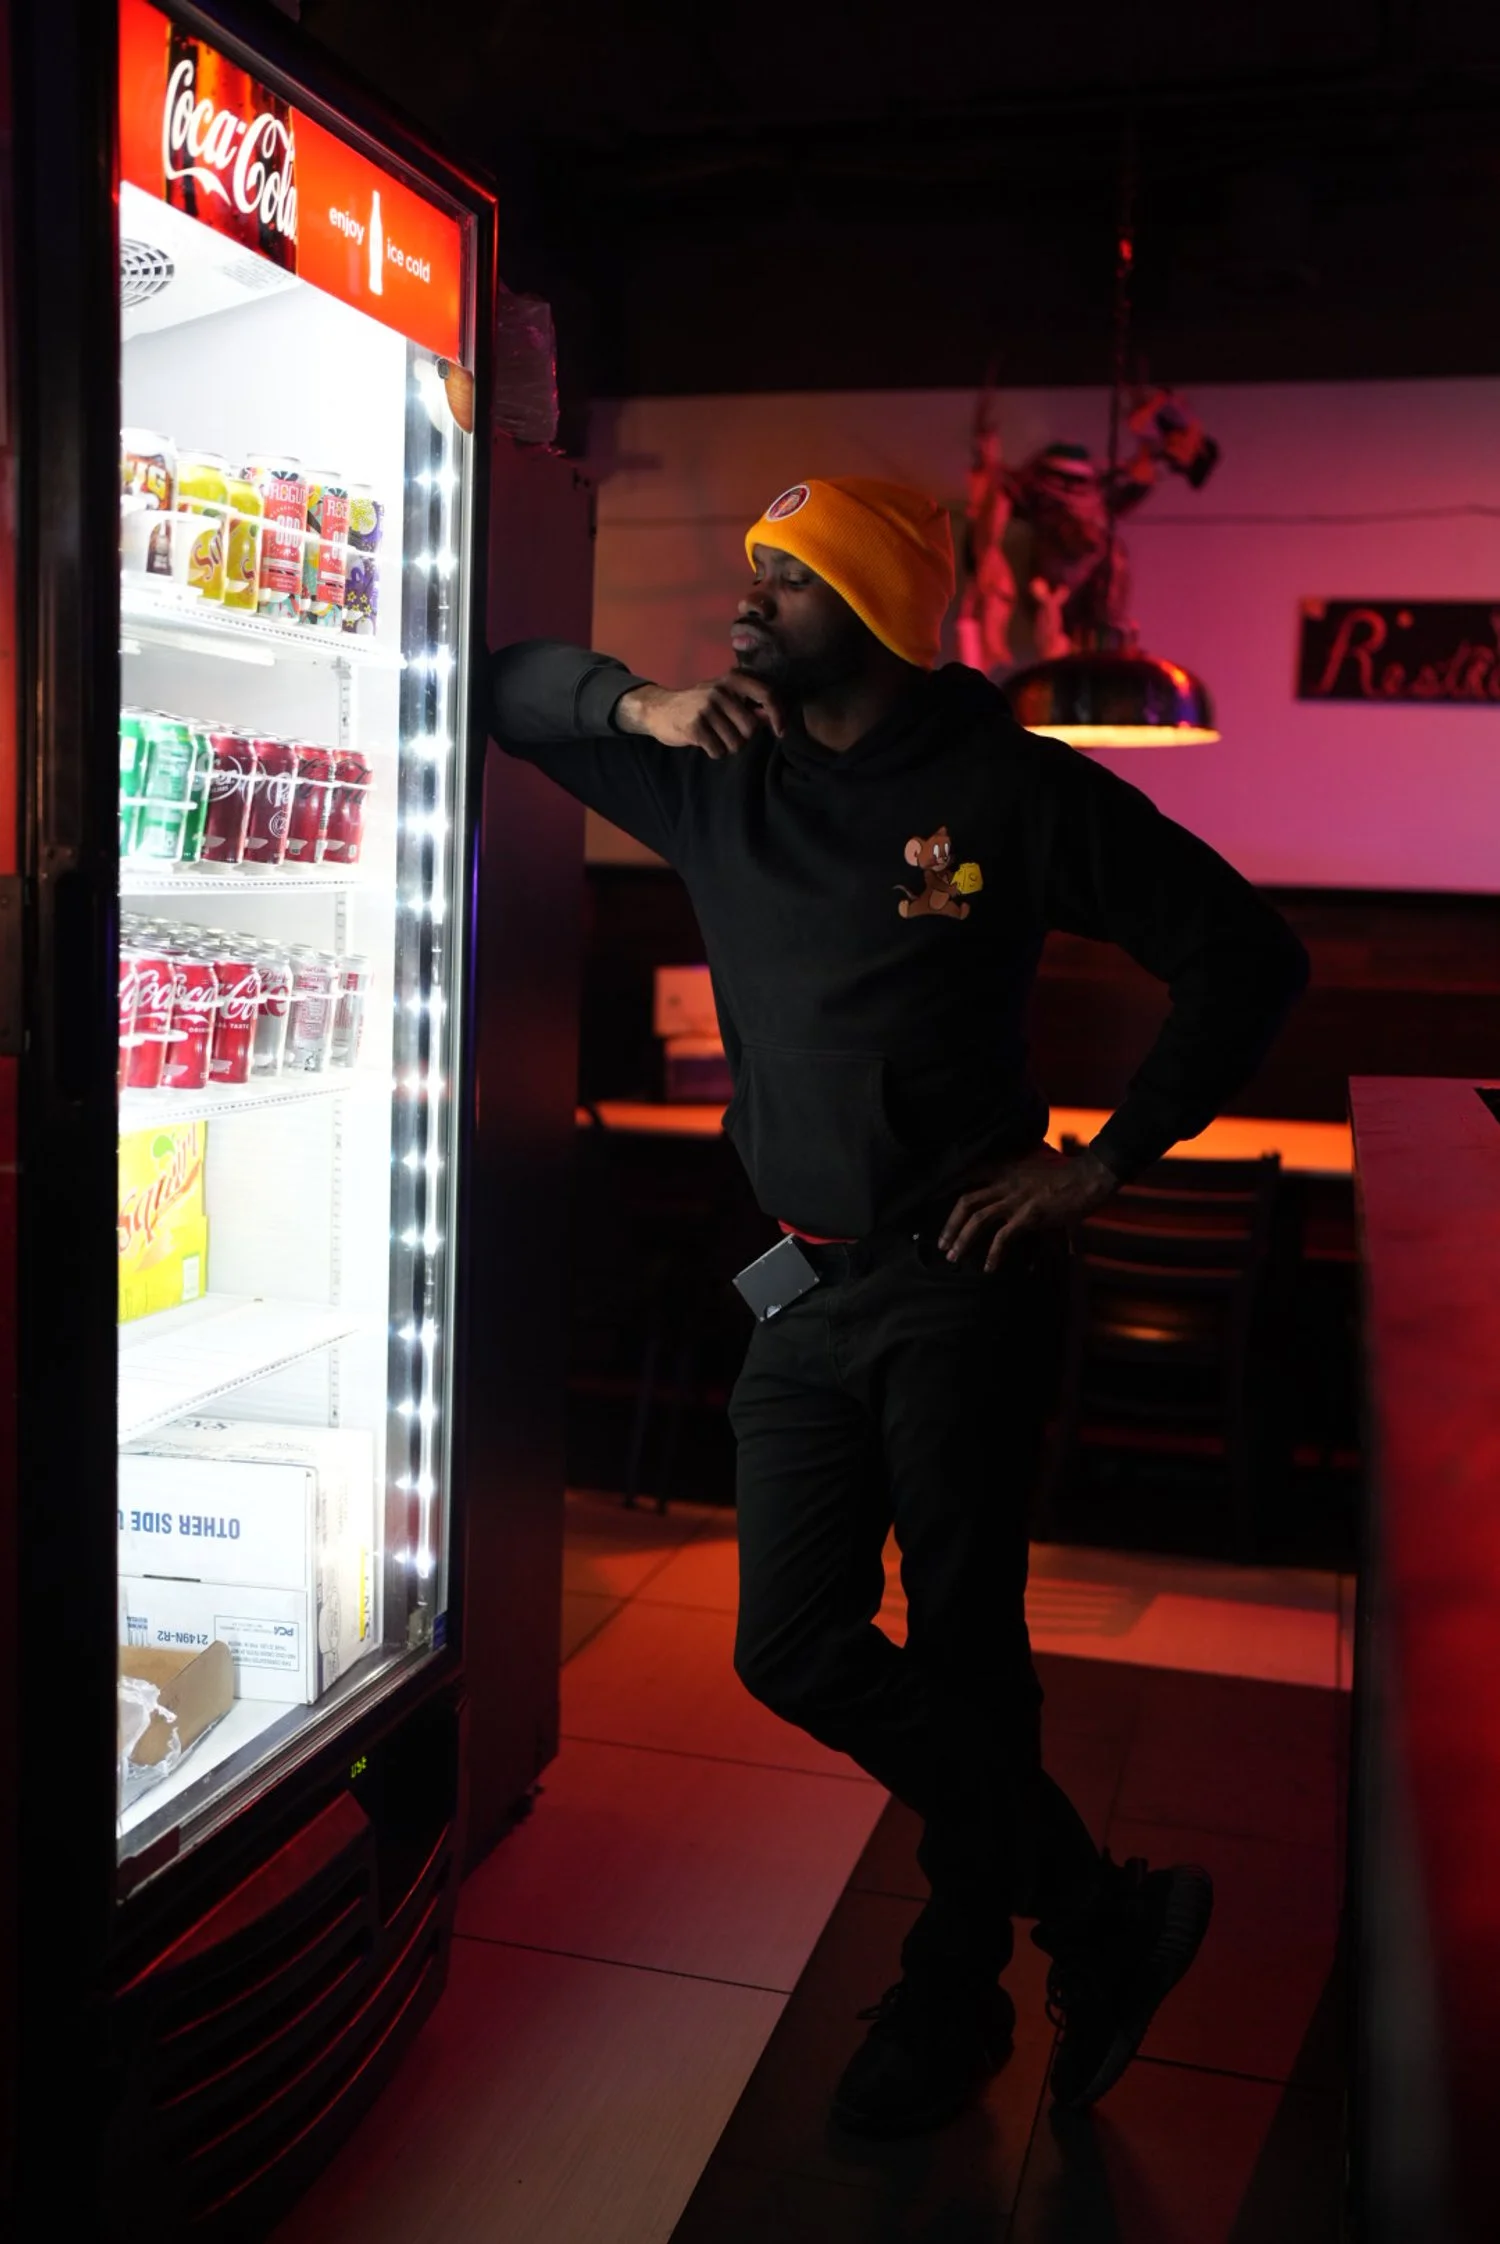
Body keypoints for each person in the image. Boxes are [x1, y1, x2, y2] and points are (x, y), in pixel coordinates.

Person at [488, 475, 1310, 2140]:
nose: (743, 605)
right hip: (796, 1287)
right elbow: (501, 680)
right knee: (791, 1645)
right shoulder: (715, 768)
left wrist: (1102, 1166)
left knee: (966, 1653)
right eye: (749, 570)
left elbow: (1244, 955)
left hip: (963, 1280)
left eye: (782, 580)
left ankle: (955, 2002)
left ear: (866, 609)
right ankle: (1094, 1911)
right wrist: (630, 700)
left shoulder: (1006, 786)